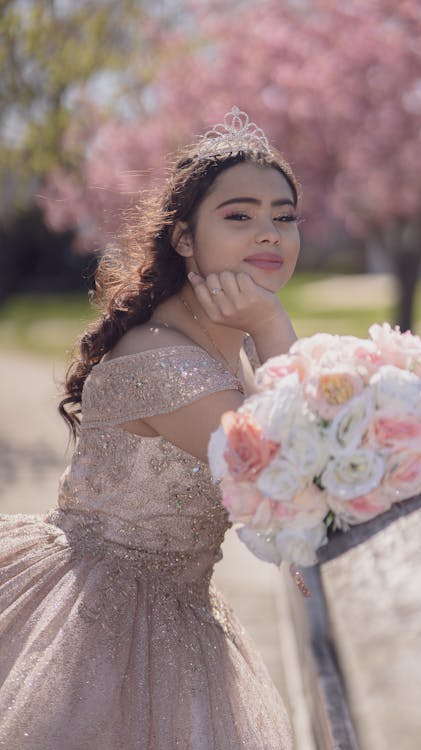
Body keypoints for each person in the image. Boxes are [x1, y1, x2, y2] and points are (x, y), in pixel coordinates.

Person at [0, 107, 300, 749]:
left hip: (177, 605)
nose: (270, 233)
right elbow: (284, 475)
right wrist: (275, 329)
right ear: (184, 239)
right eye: (240, 215)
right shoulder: (167, 362)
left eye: (285, 215)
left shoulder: (219, 336)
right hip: (109, 624)